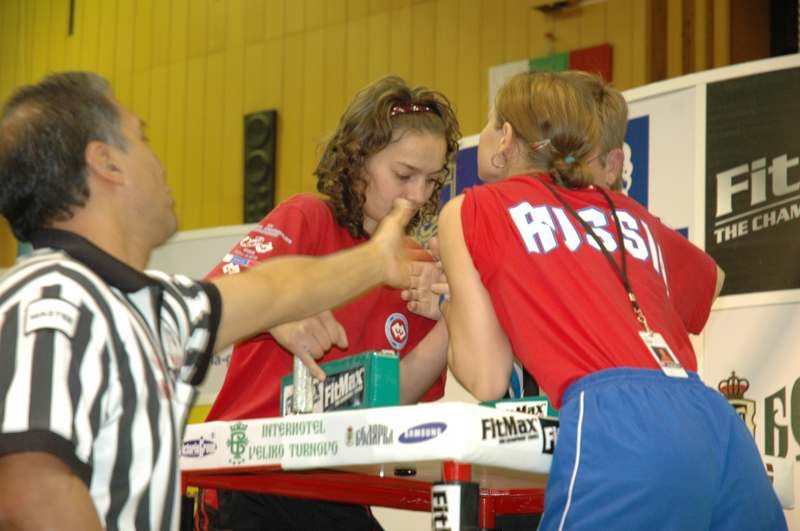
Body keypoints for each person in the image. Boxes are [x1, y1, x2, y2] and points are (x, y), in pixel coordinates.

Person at [0, 72, 422, 531]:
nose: (159, 163)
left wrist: (377, 259)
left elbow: (274, 289)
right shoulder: (52, 299)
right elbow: (31, 490)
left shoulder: (149, 307)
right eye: (141, 137)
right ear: (106, 163)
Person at [435, 71, 786, 530]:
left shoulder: (470, 208)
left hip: (619, 422)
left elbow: (486, 377)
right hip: (711, 420)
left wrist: (449, 305)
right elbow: (710, 278)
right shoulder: (621, 208)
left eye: (487, 122)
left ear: (505, 138)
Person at [196, 75, 461, 530]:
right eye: (403, 175)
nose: (418, 195)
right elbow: (207, 303)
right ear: (357, 161)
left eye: (431, 180)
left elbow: (395, 399)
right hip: (250, 479)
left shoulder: (416, 265)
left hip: (335, 487)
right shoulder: (307, 217)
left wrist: (451, 317)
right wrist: (276, 317)